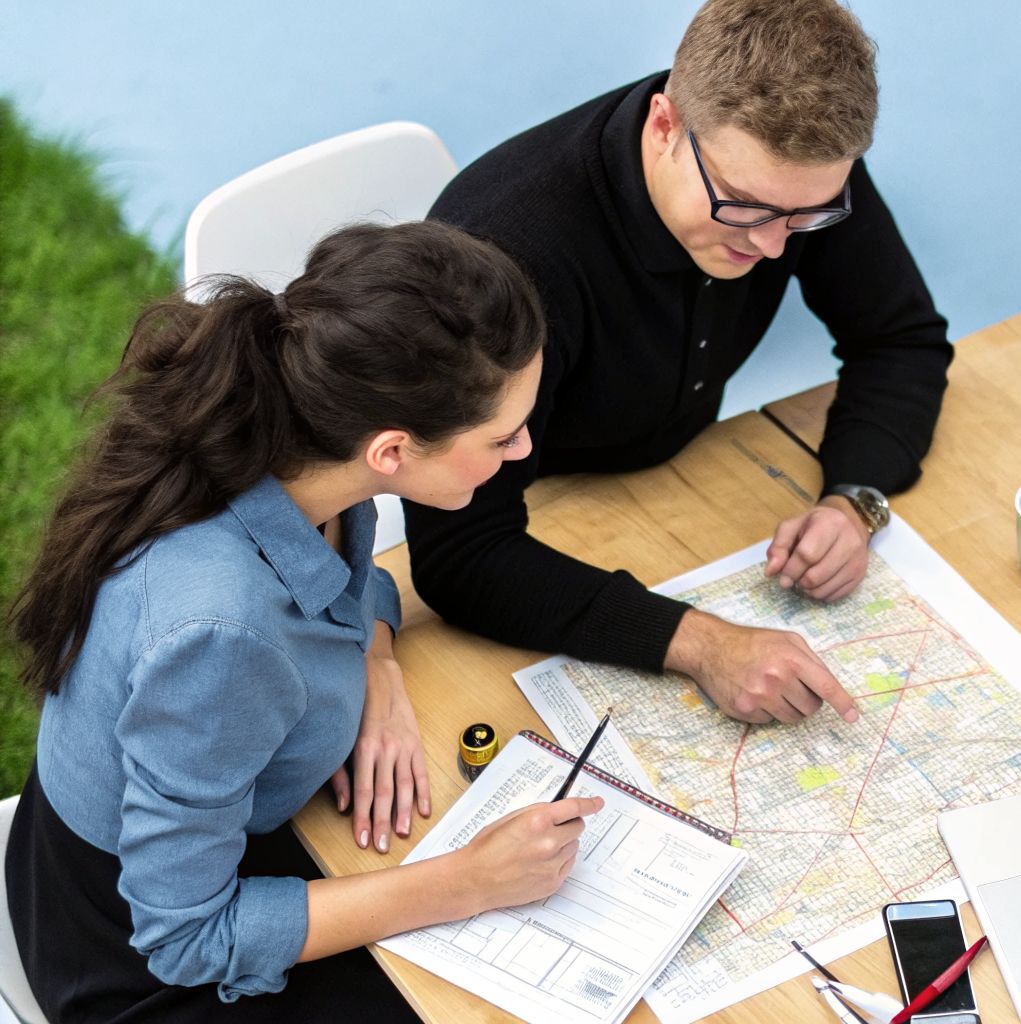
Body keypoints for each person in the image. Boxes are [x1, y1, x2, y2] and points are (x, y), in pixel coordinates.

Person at [5, 221, 605, 1021]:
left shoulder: (291, 453)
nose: (525, 450)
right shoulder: (219, 636)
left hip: (210, 834)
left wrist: (378, 667)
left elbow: (342, 598)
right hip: (146, 955)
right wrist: (467, 881)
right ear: (392, 451)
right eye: (502, 436)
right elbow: (188, 939)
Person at [413, 0, 952, 727]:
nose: (772, 248)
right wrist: (701, 645)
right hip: (531, 515)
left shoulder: (793, 182)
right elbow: (462, 554)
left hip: (686, 483)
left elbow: (900, 339)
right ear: (666, 125)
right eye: (744, 209)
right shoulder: (500, 255)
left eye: (807, 218)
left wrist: (853, 499)